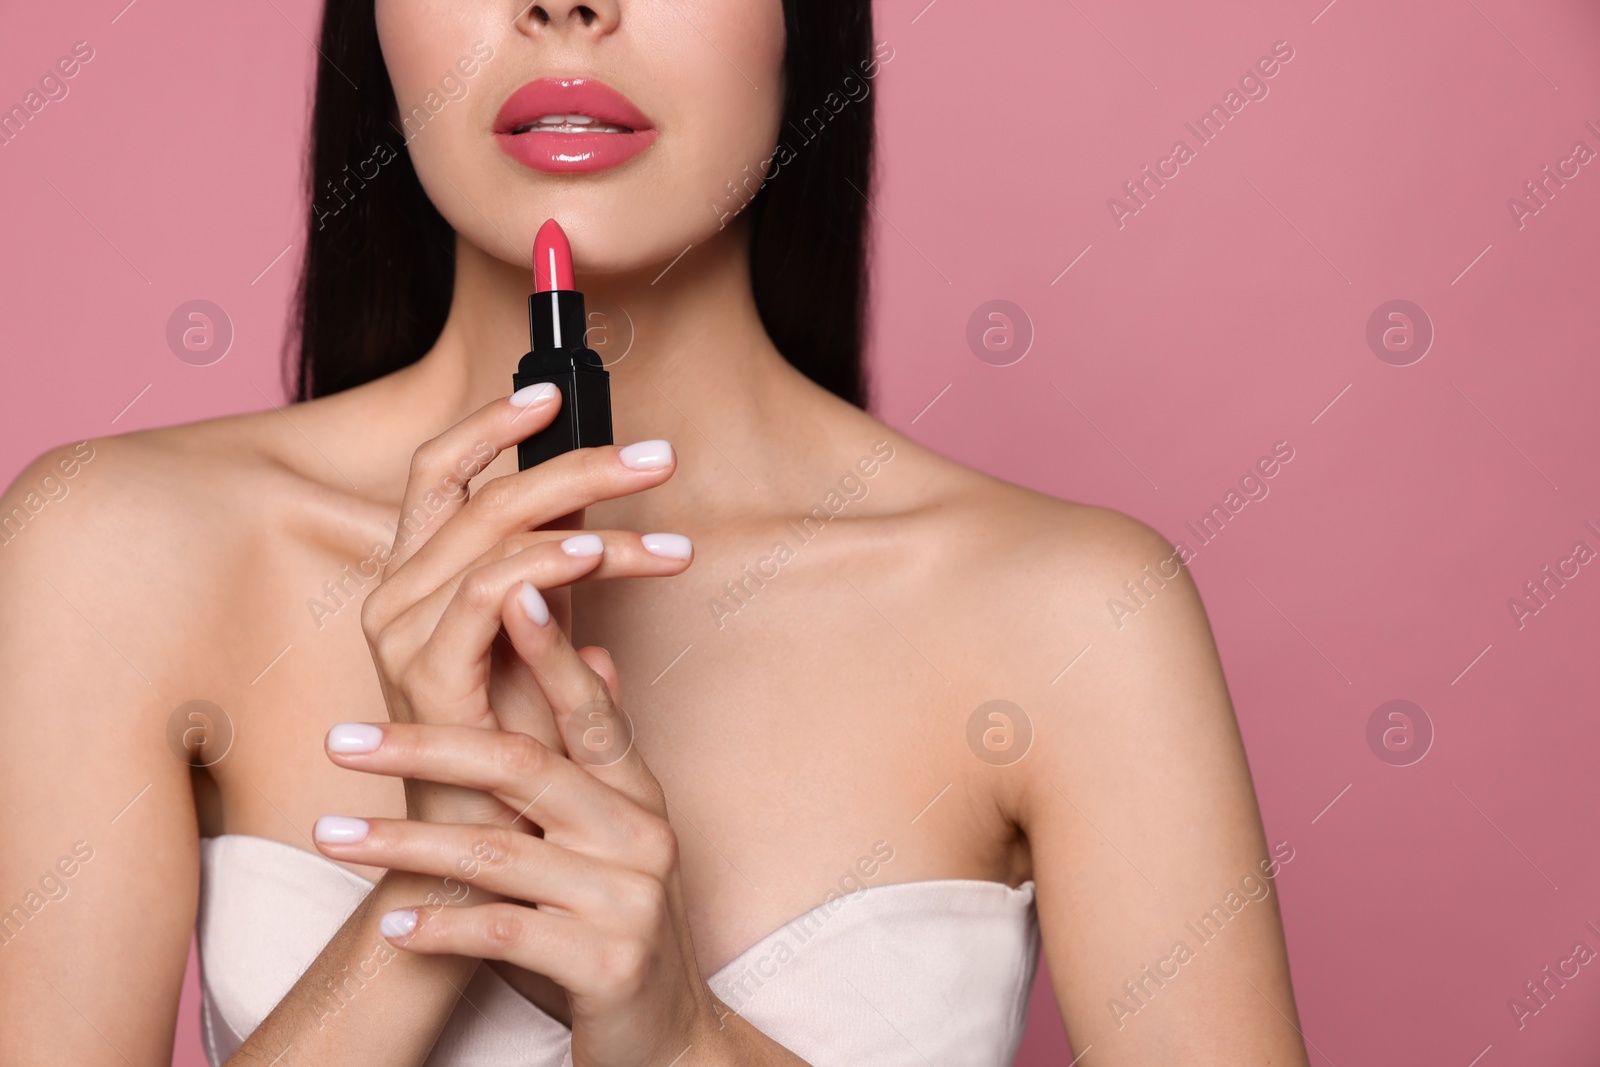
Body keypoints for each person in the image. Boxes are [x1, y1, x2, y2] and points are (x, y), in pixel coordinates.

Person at [0, 0, 1310, 1063]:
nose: (565, 6)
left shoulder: (1072, 612)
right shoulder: (117, 554)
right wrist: (439, 897)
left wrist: (680, 1039)